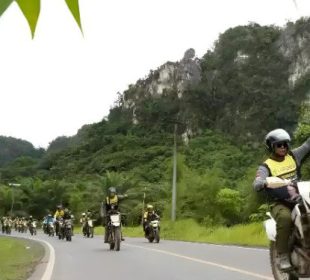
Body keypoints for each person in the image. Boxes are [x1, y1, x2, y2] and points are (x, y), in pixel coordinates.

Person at [253, 128, 310, 271]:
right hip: (279, 203)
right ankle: (283, 255)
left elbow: (308, 145)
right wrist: (262, 182)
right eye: (279, 145)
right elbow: (258, 180)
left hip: (300, 197)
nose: (283, 147)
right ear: (271, 147)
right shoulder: (266, 166)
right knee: (284, 218)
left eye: (285, 144)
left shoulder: (294, 156)